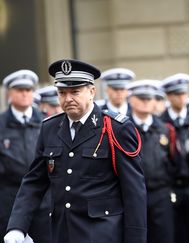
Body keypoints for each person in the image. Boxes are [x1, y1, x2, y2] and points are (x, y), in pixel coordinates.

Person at [4, 59, 147, 243]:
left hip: (103, 234)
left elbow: (134, 191)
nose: (68, 98)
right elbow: (34, 182)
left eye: (75, 92)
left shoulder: (115, 128)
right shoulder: (50, 128)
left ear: (92, 92)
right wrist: (17, 226)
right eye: (62, 93)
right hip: (62, 232)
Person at [0, 70, 51, 243]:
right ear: (9, 93)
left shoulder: (47, 123)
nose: (24, 94)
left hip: (44, 203)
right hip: (9, 203)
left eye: (28, 90)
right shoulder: (1, 124)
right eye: (19, 89)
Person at [127, 79, 176, 243]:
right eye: (141, 98)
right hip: (133, 195)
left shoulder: (165, 129)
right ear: (131, 99)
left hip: (160, 194)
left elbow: (173, 161)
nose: (146, 102)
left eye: (149, 98)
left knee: (164, 236)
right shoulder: (123, 128)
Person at [160, 73, 189, 243]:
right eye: (176, 94)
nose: (181, 98)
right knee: (174, 233)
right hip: (171, 186)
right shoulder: (161, 123)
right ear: (169, 96)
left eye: (183, 93)